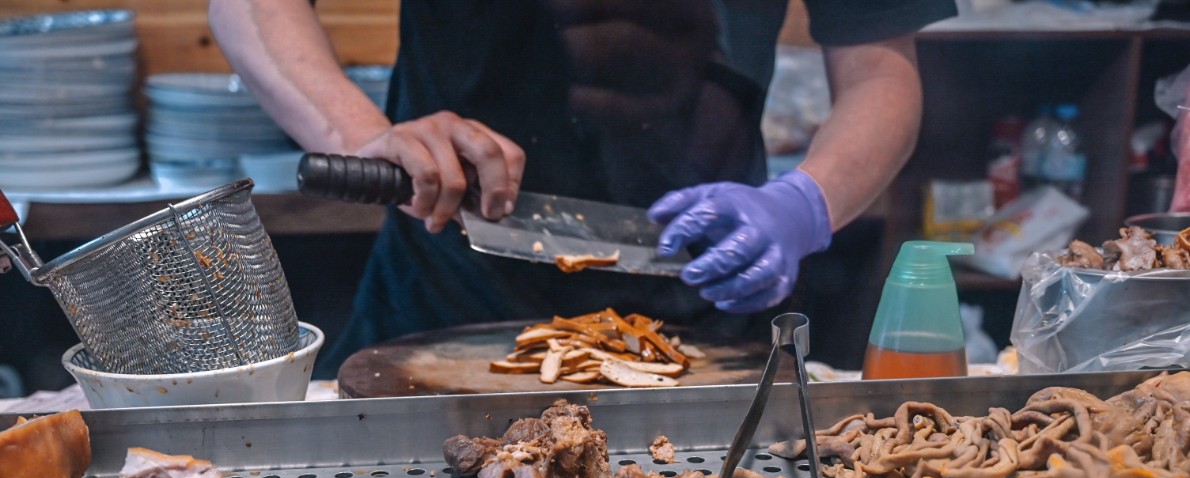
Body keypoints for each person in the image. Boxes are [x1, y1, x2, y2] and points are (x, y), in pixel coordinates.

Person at [208, 0, 957, 378]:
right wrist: (355, 135)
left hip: (709, 315)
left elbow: (880, 73)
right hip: (441, 304)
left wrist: (805, 203)